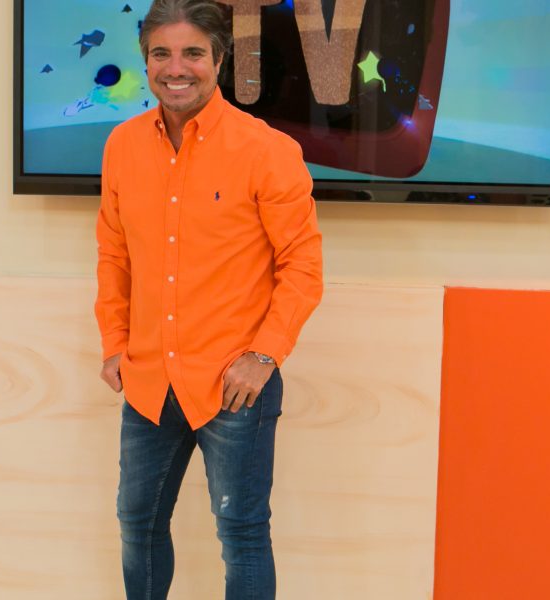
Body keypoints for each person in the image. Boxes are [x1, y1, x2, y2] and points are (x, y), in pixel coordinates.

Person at [93, 1, 324, 597]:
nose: (176, 68)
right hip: (147, 381)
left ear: (219, 60)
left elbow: (302, 266)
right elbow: (114, 255)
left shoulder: (266, 150)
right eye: (161, 54)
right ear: (146, 61)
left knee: (241, 534)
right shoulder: (122, 146)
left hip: (234, 385)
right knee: (137, 525)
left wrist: (264, 356)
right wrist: (115, 343)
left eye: (193, 53)